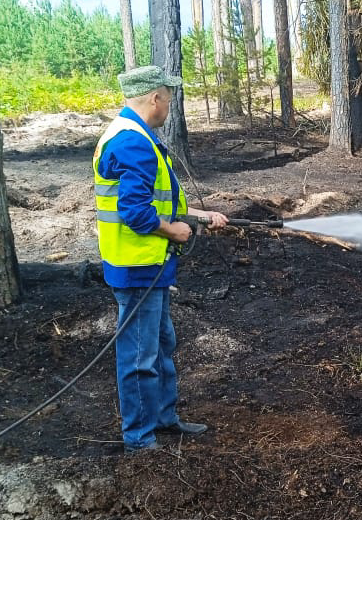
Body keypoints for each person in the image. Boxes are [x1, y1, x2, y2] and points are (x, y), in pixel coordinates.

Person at [93, 65, 227, 452]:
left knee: (162, 343)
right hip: (138, 269)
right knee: (139, 357)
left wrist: (199, 216)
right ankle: (139, 439)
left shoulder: (133, 134)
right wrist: (172, 231)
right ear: (155, 98)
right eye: (168, 98)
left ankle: (165, 418)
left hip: (150, 265)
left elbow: (155, 200)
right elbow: (135, 212)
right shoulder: (132, 142)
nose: (170, 105)